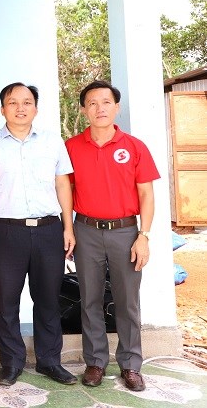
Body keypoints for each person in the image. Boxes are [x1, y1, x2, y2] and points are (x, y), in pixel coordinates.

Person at [0, 83, 77, 386]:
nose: (20, 108)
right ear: (2, 109)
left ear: (36, 107)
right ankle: (11, 363)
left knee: (48, 299)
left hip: (48, 230)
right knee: (5, 301)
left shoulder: (52, 141)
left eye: (27, 102)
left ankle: (50, 361)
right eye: (13, 102)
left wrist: (68, 227)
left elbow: (63, 185)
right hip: (4, 231)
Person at [65, 80, 160, 392]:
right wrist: (69, 230)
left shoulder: (134, 146)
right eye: (92, 103)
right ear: (83, 110)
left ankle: (131, 365)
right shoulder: (71, 147)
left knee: (127, 302)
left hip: (126, 232)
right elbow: (65, 190)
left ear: (116, 107)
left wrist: (143, 235)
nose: (99, 108)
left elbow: (146, 195)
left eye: (105, 102)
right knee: (89, 298)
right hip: (86, 230)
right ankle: (95, 362)